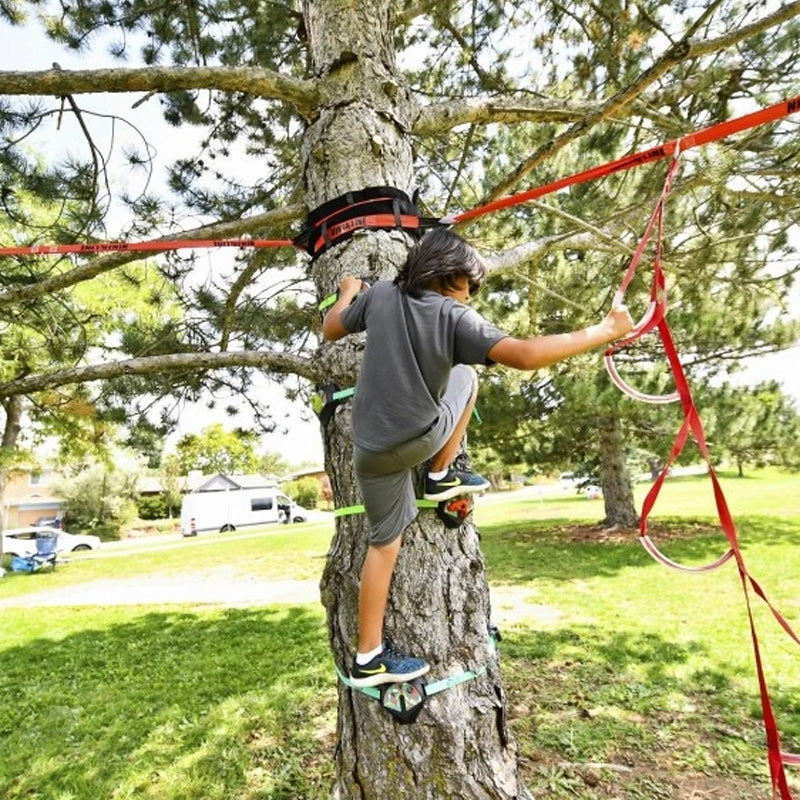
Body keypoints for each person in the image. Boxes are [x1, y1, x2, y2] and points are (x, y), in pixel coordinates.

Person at [322, 228, 633, 687]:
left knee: (382, 545)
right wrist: (604, 330)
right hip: (419, 443)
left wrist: (348, 291)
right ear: (450, 276)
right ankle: (441, 474)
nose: (470, 297)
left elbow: (331, 328)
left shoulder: (382, 295)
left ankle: (368, 658)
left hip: (368, 450)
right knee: (467, 376)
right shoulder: (453, 315)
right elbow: (524, 355)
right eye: (469, 286)